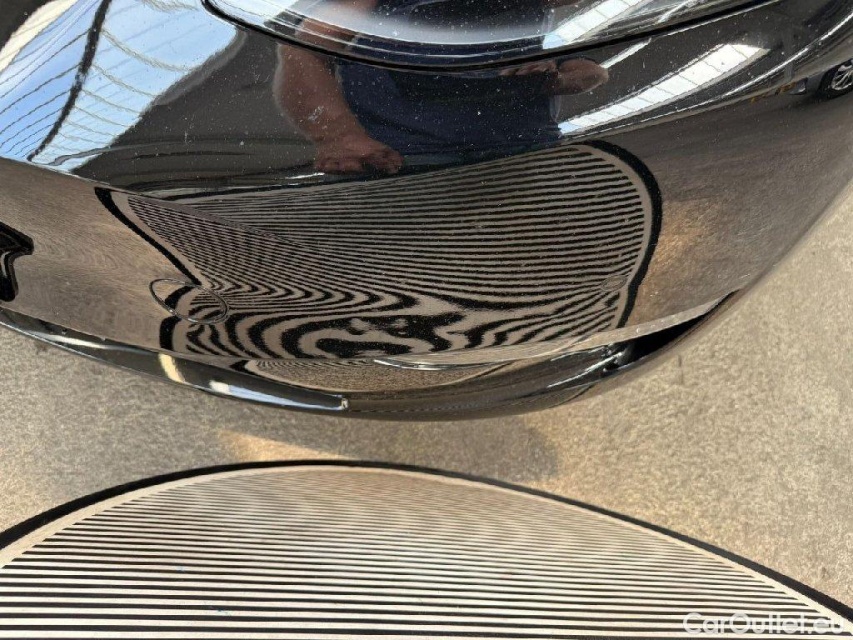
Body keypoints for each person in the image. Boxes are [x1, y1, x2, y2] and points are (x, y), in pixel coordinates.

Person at [274, 0, 609, 174]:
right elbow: (304, 50)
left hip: (527, 148)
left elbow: (588, 69)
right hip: (408, 157)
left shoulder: (538, 13)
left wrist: (564, 78)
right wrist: (337, 135)